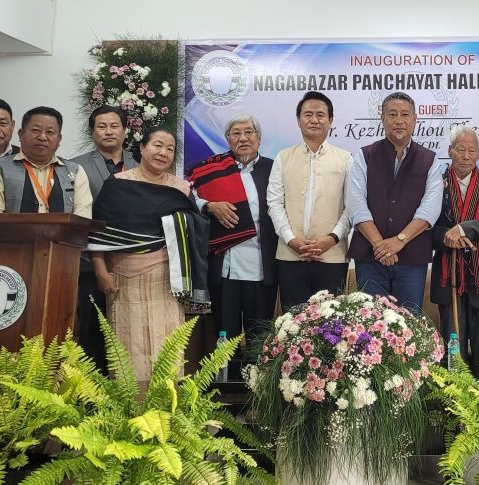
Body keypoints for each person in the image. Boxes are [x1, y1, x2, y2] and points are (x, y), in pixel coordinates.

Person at [89, 127, 210, 390]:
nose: (163, 152)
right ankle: (129, 412)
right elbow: (97, 234)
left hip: (168, 281)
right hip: (123, 280)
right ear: (142, 148)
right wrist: (101, 271)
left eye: (170, 149)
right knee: (127, 347)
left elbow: (197, 230)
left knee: (166, 346)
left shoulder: (180, 188)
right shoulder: (117, 185)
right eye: (157, 145)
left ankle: (166, 410)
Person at [345, 92, 442, 311]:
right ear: (382, 118)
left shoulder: (430, 160)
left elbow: (430, 209)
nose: (399, 120)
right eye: (392, 114)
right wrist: (381, 245)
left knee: (408, 328)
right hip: (370, 258)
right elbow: (356, 204)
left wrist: (399, 241)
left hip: (411, 259)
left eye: (405, 114)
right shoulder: (364, 156)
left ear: (415, 119)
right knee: (370, 326)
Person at [190, 114, 278, 349]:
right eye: (236, 133)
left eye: (249, 132)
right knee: (223, 334)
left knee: (259, 335)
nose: (243, 138)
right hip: (224, 267)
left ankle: (256, 384)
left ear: (259, 138)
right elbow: (187, 197)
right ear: (228, 140)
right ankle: (221, 382)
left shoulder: (274, 168)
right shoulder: (212, 169)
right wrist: (209, 206)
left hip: (262, 267)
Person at [430, 126, 479, 377]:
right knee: (453, 340)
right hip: (448, 275)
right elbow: (424, 226)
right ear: (450, 151)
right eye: (460, 149)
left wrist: (465, 229)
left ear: (478, 154)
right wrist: (446, 236)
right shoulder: (434, 186)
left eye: (471, 150)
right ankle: (456, 395)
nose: (466, 155)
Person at [267, 91, 352, 311]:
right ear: (298, 120)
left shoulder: (345, 159)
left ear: (330, 120)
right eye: (308, 114)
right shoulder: (283, 157)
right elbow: (274, 203)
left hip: (332, 257)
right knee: (293, 324)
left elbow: (352, 207)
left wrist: (331, 239)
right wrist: (291, 239)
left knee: (330, 326)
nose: (314, 120)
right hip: (290, 255)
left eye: (321, 115)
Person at [71, 105, 139, 373]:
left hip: (133, 260)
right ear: (93, 131)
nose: (109, 131)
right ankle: (93, 396)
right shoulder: (76, 166)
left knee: (130, 331)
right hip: (90, 262)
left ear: (124, 130)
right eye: (102, 126)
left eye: (114, 126)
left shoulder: (140, 162)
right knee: (92, 330)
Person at [0, 106, 91, 218]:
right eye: (35, 130)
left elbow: (82, 218)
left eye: (50, 132)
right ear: (21, 134)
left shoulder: (75, 171)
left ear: (59, 139)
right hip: (12, 235)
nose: (42, 137)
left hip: (63, 235)